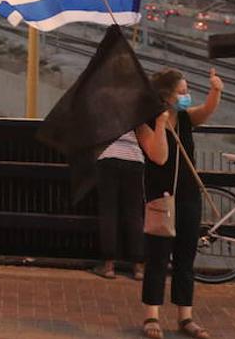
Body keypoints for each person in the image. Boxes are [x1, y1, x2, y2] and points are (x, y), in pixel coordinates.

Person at [140, 67, 223, 339]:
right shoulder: (145, 121)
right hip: (160, 197)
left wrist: (216, 90)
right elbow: (159, 156)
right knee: (157, 257)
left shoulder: (186, 118)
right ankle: (151, 315)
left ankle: (184, 316)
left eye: (187, 92)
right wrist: (162, 124)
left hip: (188, 195)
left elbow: (205, 111)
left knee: (186, 257)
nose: (187, 97)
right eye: (182, 92)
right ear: (166, 95)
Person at [94, 128, 149, 280]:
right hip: (134, 158)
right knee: (134, 213)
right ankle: (138, 266)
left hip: (107, 155)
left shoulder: (100, 104)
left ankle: (108, 265)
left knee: (108, 212)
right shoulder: (138, 104)